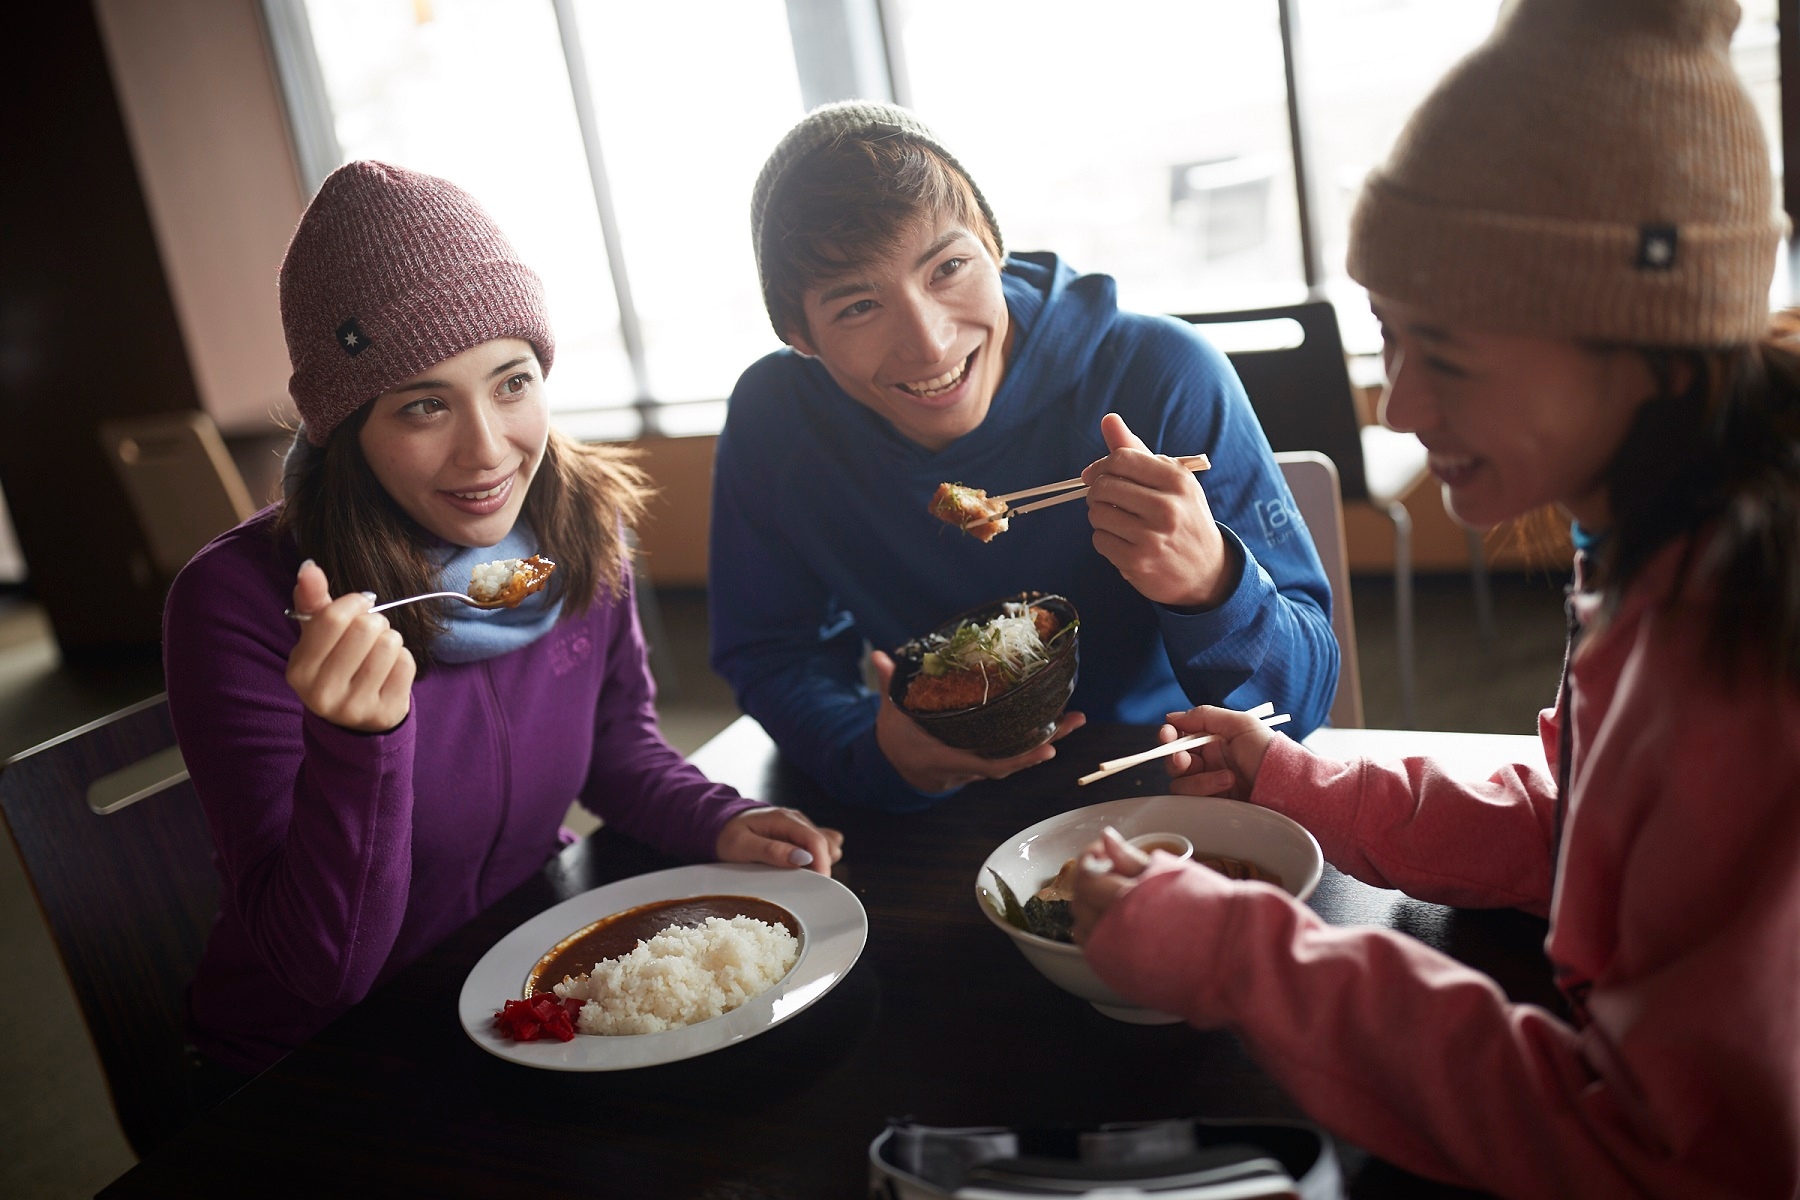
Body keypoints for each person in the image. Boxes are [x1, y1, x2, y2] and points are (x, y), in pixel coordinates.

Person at [1070, 1, 1800, 1194]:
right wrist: (1292, 779)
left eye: (1447, 354)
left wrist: (1233, 951)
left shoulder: (1737, 663)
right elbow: (1584, 832)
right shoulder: (1660, 537)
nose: (1398, 407)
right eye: (1386, 341)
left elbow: (1663, 1158)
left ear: (1651, 337)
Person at [162, 162, 842, 1082]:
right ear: (344, 426)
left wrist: (719, 822)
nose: (489, 451)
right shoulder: (239, 604)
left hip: (516, 977)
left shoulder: (578, 520)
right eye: (424, 405)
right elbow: (326, 972)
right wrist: (360, 744)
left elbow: (616, 746)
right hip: (319, 1058)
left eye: (513, 382)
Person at [710, 102, 1339, 812]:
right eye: (858, 306)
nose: (931, 343)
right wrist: (873, 748)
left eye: (948, 267)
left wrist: (1210, 582)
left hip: (1168, 786)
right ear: (800, 334)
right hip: (938, 814)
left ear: (993, 245)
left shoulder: (1160, 377)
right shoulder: (777, 421)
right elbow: (772, 653)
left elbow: (1302, 701)